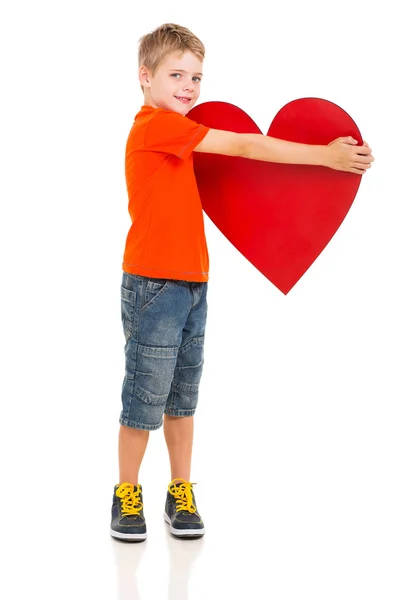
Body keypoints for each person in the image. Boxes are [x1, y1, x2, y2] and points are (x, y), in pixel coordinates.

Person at [110, 23, 374, 542]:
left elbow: (236, 172)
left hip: (191, 285)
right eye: (176, 74)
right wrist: (326, 155)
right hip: (153, 286)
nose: (189, 86)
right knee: (144, 397)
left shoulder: (180, 134)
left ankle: (179, 492)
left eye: (197, 77)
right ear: (145, 78)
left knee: (182, 399)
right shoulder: (155, 125)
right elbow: (246, 148)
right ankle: (126, 493)